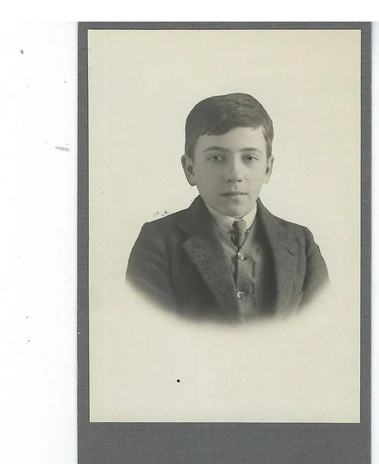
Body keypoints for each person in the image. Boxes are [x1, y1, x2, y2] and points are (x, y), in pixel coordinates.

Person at [126, 93, 329, 324]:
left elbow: (320, 330)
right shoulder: (158, 242)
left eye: (249, 158)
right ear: (190, 169)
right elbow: (150, 333)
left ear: (268, 169)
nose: (234, 174)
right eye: (216, 158)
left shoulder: (301, 243)